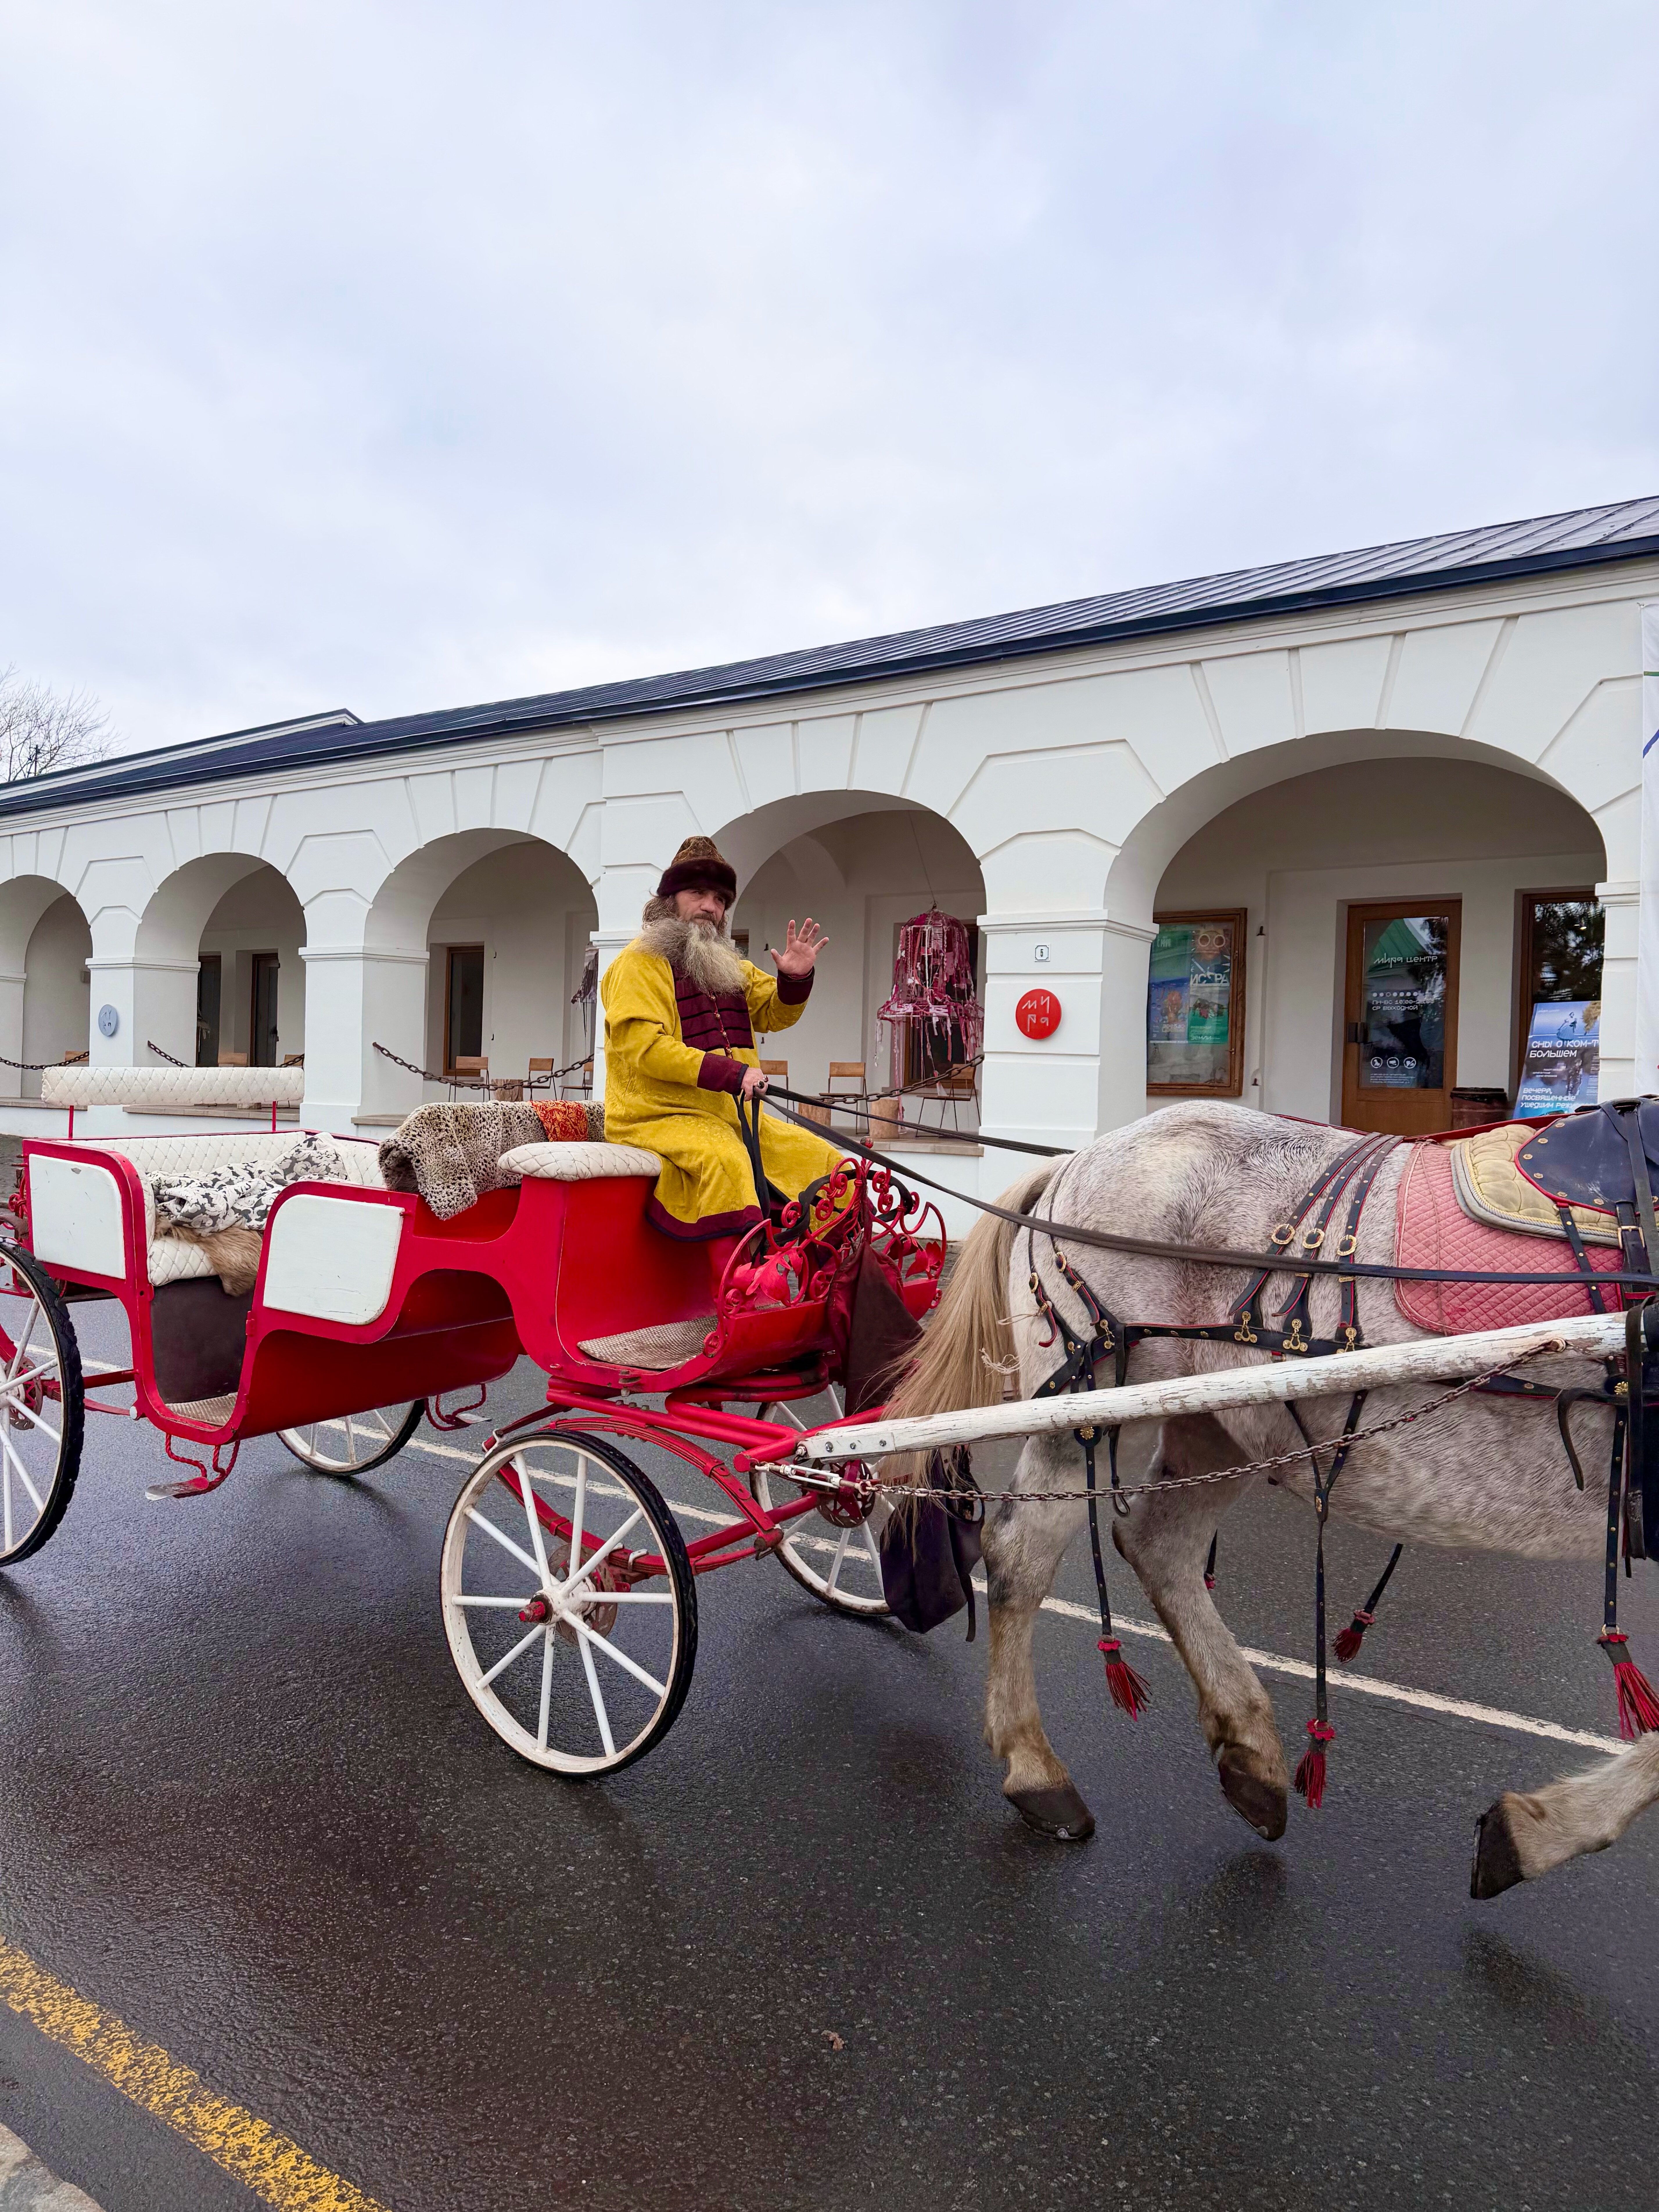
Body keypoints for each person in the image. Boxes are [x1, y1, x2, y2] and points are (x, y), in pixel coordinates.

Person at [600, 836, 847, 1240]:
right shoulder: (637, 963)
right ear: (669, 900)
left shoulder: (727, 965)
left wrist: (796, 978)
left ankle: (830, 1275)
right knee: (728, 1162)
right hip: (655, 1117)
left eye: (720, 899)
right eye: (698, 893)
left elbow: (773, 1011)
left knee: (824, 1160)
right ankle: (740, 1287)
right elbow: (645, 1048)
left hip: (729, 1117)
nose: (710, 907)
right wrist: (733, 1075)